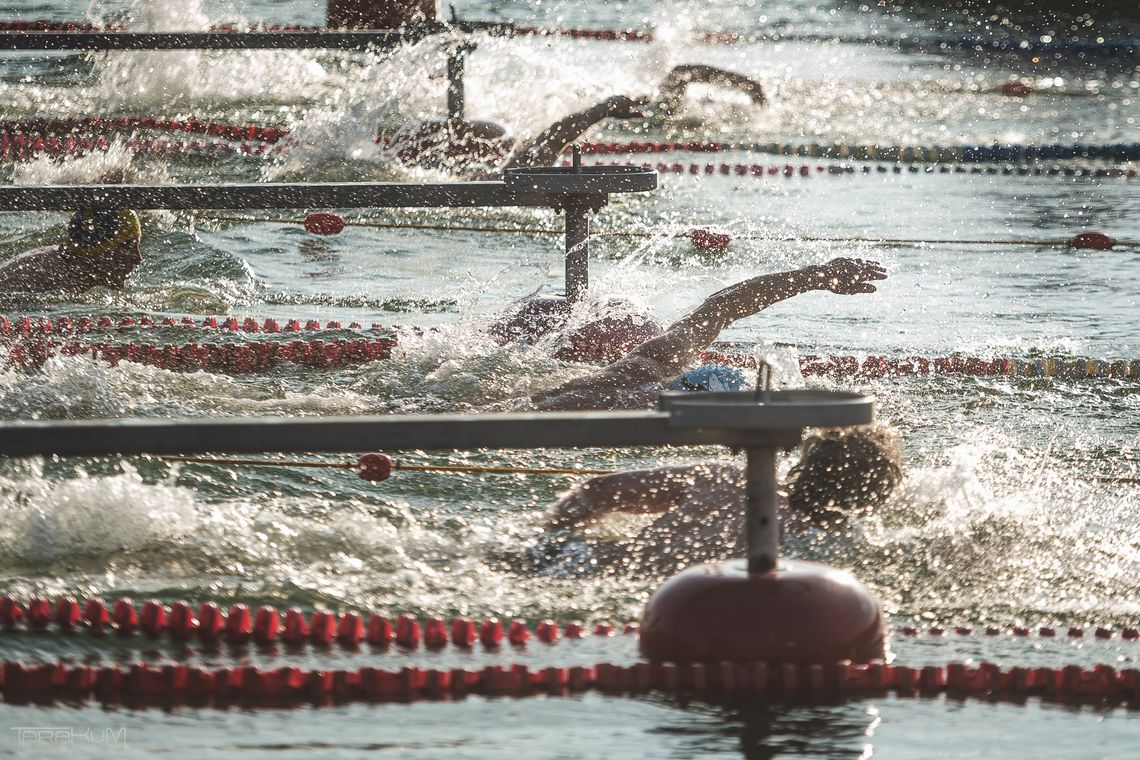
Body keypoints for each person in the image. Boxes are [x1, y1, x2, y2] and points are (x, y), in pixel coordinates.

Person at [528, 425, 903, 577]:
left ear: (803, 463)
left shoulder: (726, 477)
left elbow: (597, 492)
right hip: (652, 597)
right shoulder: (823, 550)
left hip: (575, 560)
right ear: (876, 495)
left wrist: (550, 540)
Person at [528, 257, 887, 410]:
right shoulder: (655, 367)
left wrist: (816, 276)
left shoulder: (659, 357)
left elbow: (723, 304)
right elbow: (723, 304)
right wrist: (817, 276)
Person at [391, 64, 767, 174]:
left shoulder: (489, 163)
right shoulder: (494, 172)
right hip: (636, 115)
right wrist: (600, 110)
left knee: (679, 77)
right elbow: (547, 144)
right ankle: (751, 89)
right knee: (678, 77)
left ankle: (751, 89)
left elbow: (545, 141)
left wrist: (601, 110)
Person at [0, 208, 142, 294]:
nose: (138, 258)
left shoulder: (73, 269)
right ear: (96, 250)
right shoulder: (41, 275)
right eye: (127, 247)